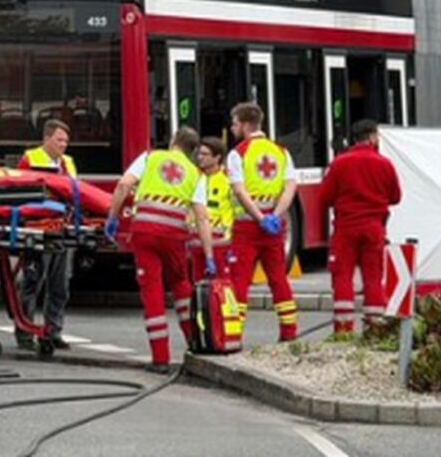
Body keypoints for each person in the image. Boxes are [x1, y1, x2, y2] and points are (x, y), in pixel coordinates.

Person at [105, 127, 214, 374]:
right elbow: (203, 218)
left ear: (174, 141)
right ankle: (194, 345)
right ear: (193, 151)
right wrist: (209, 256)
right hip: (175, 236)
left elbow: (123, 186)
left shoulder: (150, 157)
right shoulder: (196, 175)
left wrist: (112, 218)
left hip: (144, 233)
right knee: (181, 286)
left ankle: (161, 358)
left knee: (151, 290)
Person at [319, 119, 403, 336]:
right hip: (374, 228)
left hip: (345, 228)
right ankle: (374, 328)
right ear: (373, 137)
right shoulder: (384, 164)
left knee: (343, 276)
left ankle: (344, 330)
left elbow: (324, 197)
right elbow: (395, 197)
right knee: (373, 277)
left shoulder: (339, 163)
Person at [227, 102, 299, 342]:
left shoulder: (238, 153)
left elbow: (239, 191)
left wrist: (259, 217)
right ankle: (289, 333)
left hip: (247, 228)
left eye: (235, 123)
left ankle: (234, 335)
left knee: (240, 282)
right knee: (278, 279)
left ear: (246, 125)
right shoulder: (281, 151)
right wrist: (275, 216)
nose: (233, 127)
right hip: (274, 228)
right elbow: (290, 187)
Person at [15, 118, 77, 351]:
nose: (64, 145)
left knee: (60, 284)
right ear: (47, 139)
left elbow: (75, 192)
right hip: (37, 229)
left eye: (66, 141)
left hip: (62, 229)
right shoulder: (31, 158)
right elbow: (19, 191)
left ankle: (53, 332)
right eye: (59, 140)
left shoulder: (68, 162)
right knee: (32, 281)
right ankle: (25, 332)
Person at [192, 136, 235, 282]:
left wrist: (230, 241)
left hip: (219, 244)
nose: (199, 157)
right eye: (199, 153)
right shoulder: (194, 178)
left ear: (217, 158)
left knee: (222, 287)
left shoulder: (227, 182)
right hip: (196, 242)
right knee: (196, 289)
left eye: (205, 154)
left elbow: (231, 212)